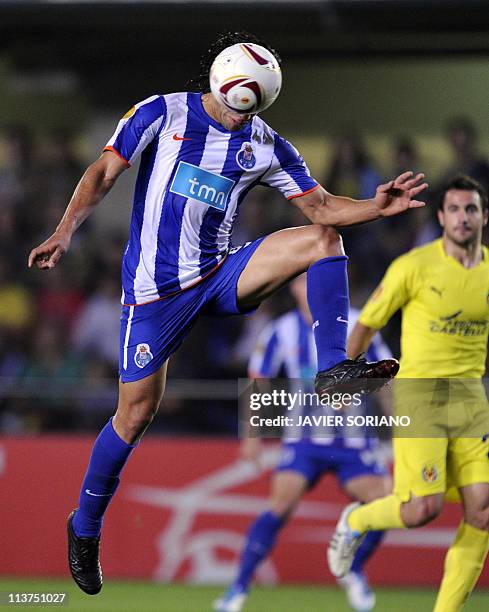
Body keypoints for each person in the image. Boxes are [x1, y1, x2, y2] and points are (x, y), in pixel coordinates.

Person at [28, 31, 426, 596]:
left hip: (219, 276)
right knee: (134, 416)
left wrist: (374, 207)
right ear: (221, 85)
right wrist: (65, 232)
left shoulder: (265, 143)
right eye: (240, 109)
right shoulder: (160, 113)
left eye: (254, 112)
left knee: (323, 239)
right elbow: (102, 173)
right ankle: (85, 528)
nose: (244, 123)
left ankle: (334, 368)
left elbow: (320, 206)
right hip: (154, 296)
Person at [327, 175, 489, 612]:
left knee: (483, 512)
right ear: (440, 217)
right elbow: (366, 325)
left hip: (472, 401)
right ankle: (356, 518)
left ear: (483, 217)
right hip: (421, 399)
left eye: (470, 209)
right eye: (454, 209)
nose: (462, 217)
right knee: (422, 511)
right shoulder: (414, 267)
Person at [214, 274, 392, 612]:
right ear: (294, 288)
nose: (312, 287)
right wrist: (251, 437)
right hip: (304, 439)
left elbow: (386, 374)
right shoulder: (280, 331)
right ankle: (237, 589)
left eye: (318, 280)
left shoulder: (358, 322)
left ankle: (353, 569)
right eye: (304, 281)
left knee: (385, 506)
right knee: (279, 504)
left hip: (352, 442)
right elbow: (259, 382)